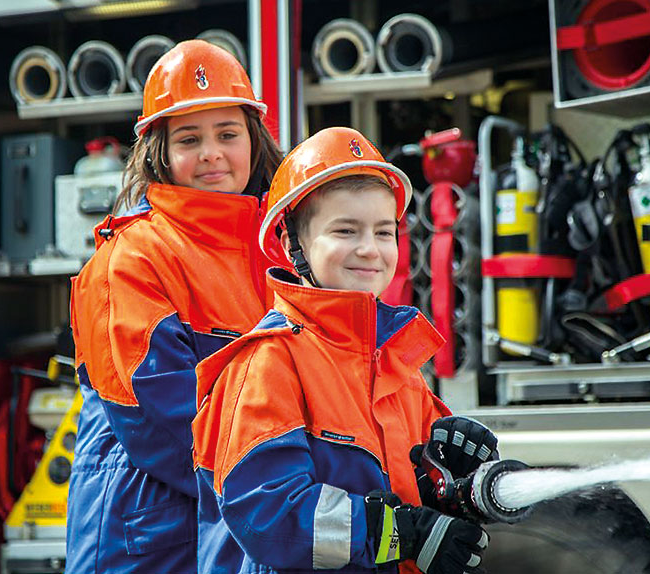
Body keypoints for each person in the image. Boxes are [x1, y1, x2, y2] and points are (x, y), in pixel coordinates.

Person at [192, 127, 499, 574]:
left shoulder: (394, 363)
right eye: (345, 230)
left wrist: (457, 480)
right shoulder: (267, 363)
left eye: (383, 231)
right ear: (291, 243)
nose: (369, 249)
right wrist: (399, 533)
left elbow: (413, 494)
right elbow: (270, 516)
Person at [67, 39, 282, 574]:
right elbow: (160, 420)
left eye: (227, 134)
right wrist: (282, 495)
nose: (212, 152)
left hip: (238, 523)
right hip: (148, 538)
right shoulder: (132, 257)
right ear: (159, 151)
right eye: (189, 138)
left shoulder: (278, 248)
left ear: (253, 141)